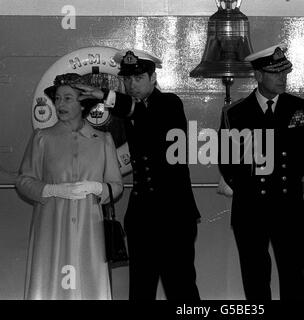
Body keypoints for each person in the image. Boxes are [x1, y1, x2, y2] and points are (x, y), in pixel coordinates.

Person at [76, 49, 201, 300]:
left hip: (174, 215)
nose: (131, 84)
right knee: (141, 289)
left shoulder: (169, 104)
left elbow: (149, 120)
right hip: (143, 216)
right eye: (127, 79)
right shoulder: (124, 111)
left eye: (138, 78)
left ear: (153, 78)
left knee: (181, 287)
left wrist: (107, 95)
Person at [218, 44, 304, 300]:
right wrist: (250, 191)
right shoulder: (235, 113)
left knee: (293, 280)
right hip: (250, 211)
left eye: (284, 72)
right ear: (259, 75)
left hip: (289, 209)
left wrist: (289, 189)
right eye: (275, 73)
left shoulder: (300, 108)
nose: (282, 78)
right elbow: (227, 163)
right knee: (255, 282)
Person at [16, 73, 123, 300]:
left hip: (90, 227)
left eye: (67, 98)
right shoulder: (42, 138)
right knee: (49, 283)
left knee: (89, 284)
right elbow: (24, 181)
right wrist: (52, 190)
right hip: (51, 225)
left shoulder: (102, 139)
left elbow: (116, 186)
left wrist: (97, 187)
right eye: (57, 98)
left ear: (82, 103)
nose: (58, 104)